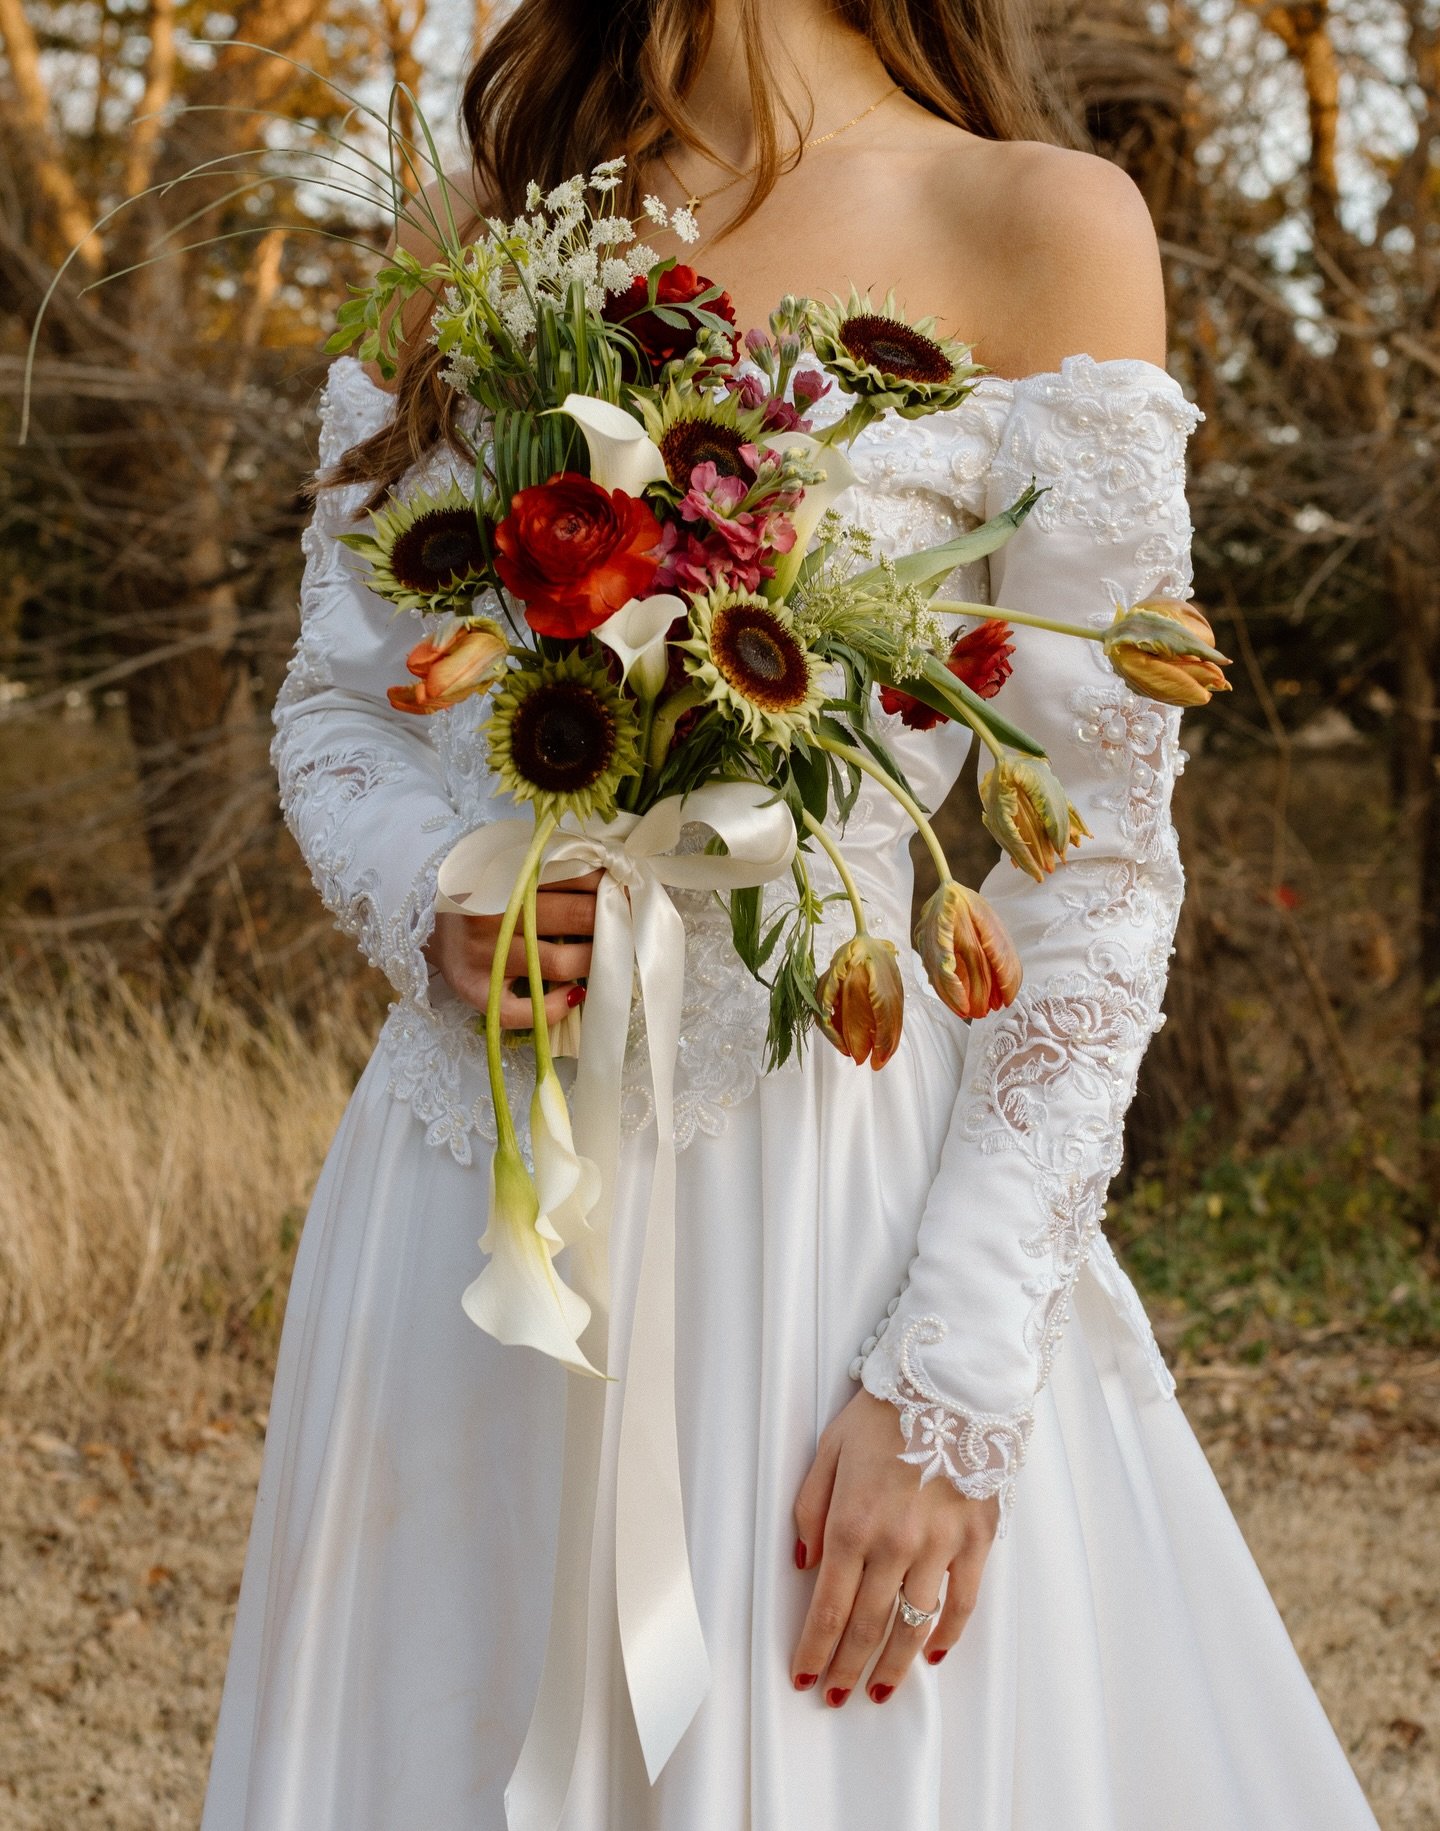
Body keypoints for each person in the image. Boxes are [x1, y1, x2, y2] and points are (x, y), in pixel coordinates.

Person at [200, 1, 1381, 1825]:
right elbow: (342, 703)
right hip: (473, 1224)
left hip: (838, 1216)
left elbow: (1099, 867)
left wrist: (952, 1385)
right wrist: (441, 899)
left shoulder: (1038, 221)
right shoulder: (480, 224)